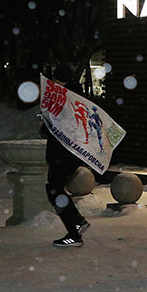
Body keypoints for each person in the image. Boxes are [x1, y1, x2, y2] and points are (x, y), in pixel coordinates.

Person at [41, 64, 89, 247]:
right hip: (68, 155)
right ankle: (76, 222)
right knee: (55, 189)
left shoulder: (65, 99)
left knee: (54, 190)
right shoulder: (75, 97)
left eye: (56, 79)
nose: (53, 82)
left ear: (62, 80)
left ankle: (74, 231)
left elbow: (57, 126)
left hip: (63, 155)